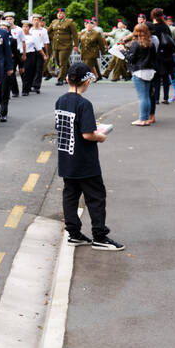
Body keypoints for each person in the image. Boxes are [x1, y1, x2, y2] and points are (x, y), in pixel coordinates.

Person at [54, 62, 123, 251]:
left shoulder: (60, 100)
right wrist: (100, 136)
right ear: (86, 82)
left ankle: (74, 233)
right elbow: (87, 134)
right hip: (84, 161)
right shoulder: (84, 104)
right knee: (96, 197)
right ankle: (100, 236)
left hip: (66, 159)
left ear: (68, 79)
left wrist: (91, 123)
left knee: (70, 196)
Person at [125, 24, 158, 126]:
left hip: (139, 71)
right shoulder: (151, 43)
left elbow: (131, 59)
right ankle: (147, 118)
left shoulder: (135, 43)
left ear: (135, 32)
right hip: (149, 71)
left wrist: (122, 50)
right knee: (147, 96)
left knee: (142, 97)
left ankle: (142, 119)